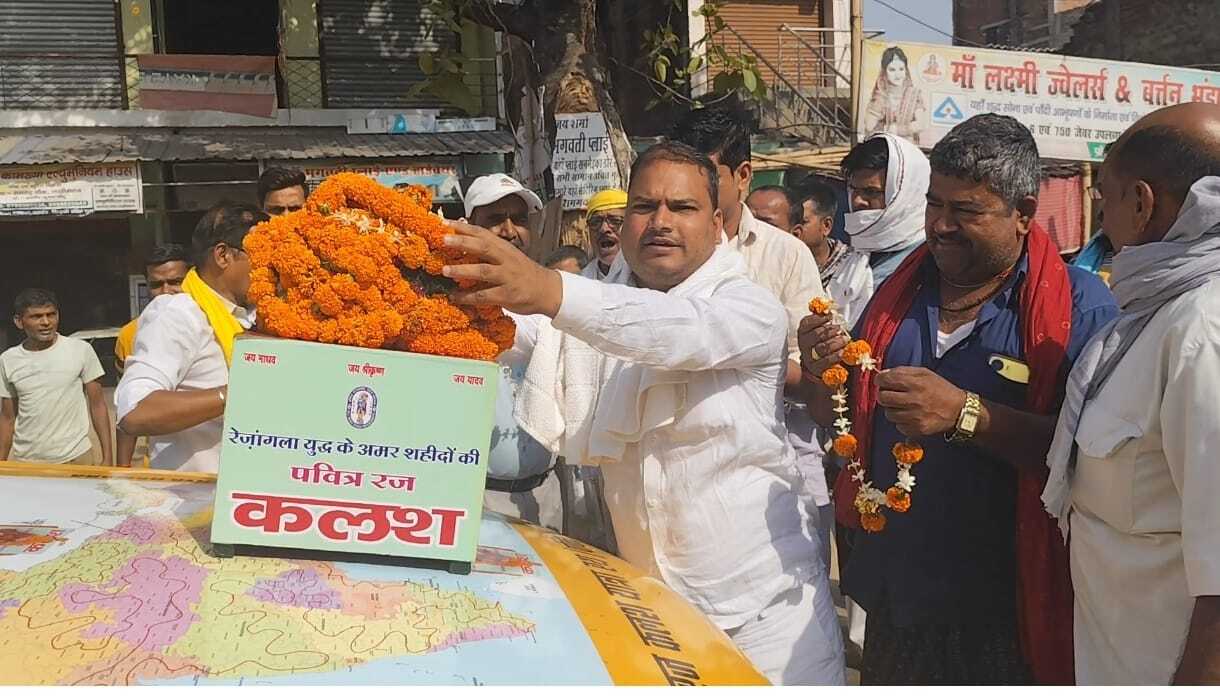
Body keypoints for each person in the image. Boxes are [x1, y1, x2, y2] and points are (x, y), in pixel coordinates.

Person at [449, 141, 845, 685]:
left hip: (766, 613)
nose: (661, 222)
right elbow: (514, 333)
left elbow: (675, 331)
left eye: (682, 207)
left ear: (716, 224)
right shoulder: (588, 310)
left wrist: (546, 288)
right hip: (653, 614)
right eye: (644, 206)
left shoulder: (748, 308)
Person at [799, 114, 1118, 685]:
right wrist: (823, 369)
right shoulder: (896, 297)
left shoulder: (1077, 308)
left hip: (1009, 611)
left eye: (966, 210)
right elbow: (839, 418)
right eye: (933, 204)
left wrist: (966, 415)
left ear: (1023, 213)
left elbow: (1095, 457)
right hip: (898, 600)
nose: (941, 225)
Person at [1043, 103, 1220, 685]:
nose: (1102, 219)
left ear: (1141, 204)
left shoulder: (1201, 330)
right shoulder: (1154, 312)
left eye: (1106, 199)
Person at [669, 106, 825, 391]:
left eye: (706, 178)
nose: (688, 191)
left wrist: (742, 360)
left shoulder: (787, 254)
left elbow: (808, 359)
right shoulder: (658, 249)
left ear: (742, 176)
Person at [115, 204, 269, 472]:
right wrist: (233, 394)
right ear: (223, 255)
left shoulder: (255, 315)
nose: (272, 265)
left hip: (252, 490)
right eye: (263, 254)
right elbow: (135, 411)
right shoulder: (178, 313)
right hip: (193, 495)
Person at [462, 174, 562, 529]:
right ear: (469, 226)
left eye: (519, 219)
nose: (509, 231)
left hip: (547, 494)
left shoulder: (553, 302)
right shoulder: (452, 303)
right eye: (494, 219)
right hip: (476, 497)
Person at [0, 289, 111, 466]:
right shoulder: (8, 360)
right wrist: (2, 464)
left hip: (77, 458)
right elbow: (8, 418)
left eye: (51, 314)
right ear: (19, 321)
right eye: (36, 317)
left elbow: (98, 405)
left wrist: (108, 458)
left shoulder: (80, 350)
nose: (46, 322)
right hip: (29, 463)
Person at [114, 243, 192, 466]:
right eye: (156, 284)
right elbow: (127, 406)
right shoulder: (129, 335)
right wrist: (123, 469)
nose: (166, 291)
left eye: (175, 282)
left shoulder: (214, 323)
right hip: (162, 460)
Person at [839, 134, 929, 289]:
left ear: (904, 194)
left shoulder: (927, 262)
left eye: (871, 192)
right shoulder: (855, 255)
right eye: (853, 189)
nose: (857, 201)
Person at [791, 177, 872, 327]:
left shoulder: (855, 268)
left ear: (826, 226)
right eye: (790, 222)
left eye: (802, 222)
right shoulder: (780, 262)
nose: (794, 230)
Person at [862, 46, 927, 143]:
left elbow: (921, 125)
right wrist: (887, 128)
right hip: (884, 145)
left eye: (901, 69)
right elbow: (869, 125)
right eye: (892, 70)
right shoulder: (880, 95)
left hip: (907, 146)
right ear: (884, 72)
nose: (898, 74)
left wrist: (897, 130)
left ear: (906, 71)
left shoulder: (914, 94)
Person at [583, 188, 627, 279]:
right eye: (596, 222)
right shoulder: (583, 278)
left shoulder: (645, 275)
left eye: (615, 221)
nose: (604, 229)